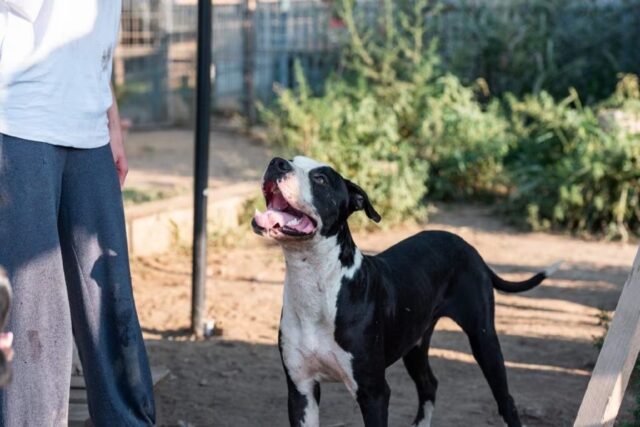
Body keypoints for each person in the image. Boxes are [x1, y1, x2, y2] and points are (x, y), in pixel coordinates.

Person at [0, 1, 156, 425]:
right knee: (36, 315)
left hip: (86, 120)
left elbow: (89, 24)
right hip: (17, 119)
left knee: (110, 297)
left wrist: (109, 114)